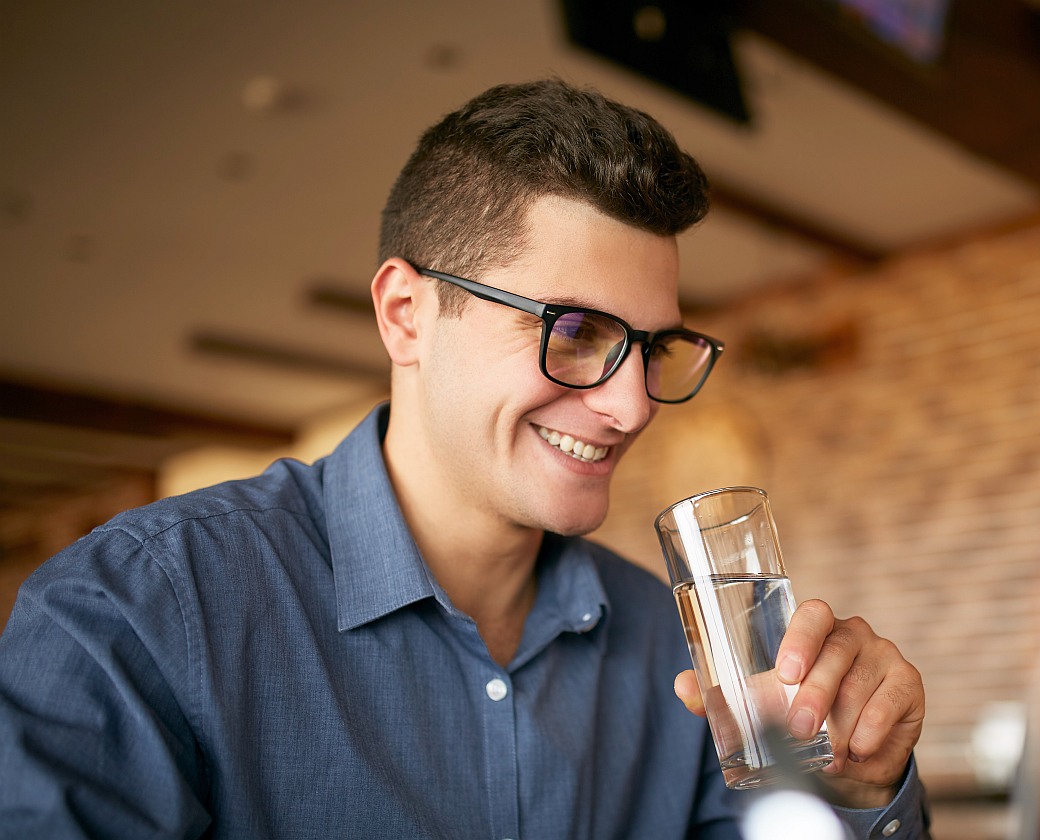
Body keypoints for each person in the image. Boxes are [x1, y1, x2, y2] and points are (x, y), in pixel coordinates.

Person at [0, 79, 930, 838]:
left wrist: (861, 791)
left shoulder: (669, 652)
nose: (632, 403)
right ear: (406, 314)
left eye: (650, 348)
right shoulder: (135, 614)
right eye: (574, 332)